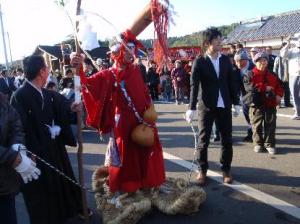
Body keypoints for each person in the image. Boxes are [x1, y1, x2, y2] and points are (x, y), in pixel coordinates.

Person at [71, 29, 165, 194]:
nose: (132, 53)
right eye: (127, 49)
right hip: (123, 123)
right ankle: (128, 187)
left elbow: (143, 93)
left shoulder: (135, 70)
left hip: (143, 119)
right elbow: (86, 84)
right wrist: (78, 68)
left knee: (146, 151)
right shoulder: (108, 74)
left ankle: (147, 182)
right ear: (116, 53)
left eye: (132, 49)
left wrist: (150, 111)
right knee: (127, 156)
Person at [10, 55, 83, 224]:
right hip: (36, 152)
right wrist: (27, 152)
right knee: (42, 192)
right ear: (41, 71)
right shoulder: (19, 96)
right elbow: (18, 128)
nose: (49, 71)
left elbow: (61, 105)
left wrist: (71, 107)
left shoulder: (47, 93)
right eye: (46, 68)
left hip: (54, 148)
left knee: (61, 182)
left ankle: (66, 213)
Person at [185, 28, 240, 185]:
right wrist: (191, 108)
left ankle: (226, 169)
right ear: (207, 43)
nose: (220, 42)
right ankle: (202, 171)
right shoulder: (199, 61)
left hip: (224, 104)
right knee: (204, 141)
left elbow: (231, 82)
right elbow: (194, 85)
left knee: (227, 139)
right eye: (217, 40)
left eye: (220, 39)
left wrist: (236, 102)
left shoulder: (225, 60)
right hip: (206, 105)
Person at [0, 92, 40, 224]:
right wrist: (10, 156)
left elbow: (16, 127)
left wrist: (18, 149)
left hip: (5, 179)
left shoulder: (3, 102)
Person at [242, 52, 284, 154]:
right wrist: (265, 88)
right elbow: (249, 87)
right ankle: (258, 144)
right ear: (255, 62)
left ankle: (269, 144)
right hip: (256, 104)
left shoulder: (272, 74)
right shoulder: (249, 74)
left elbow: (280, 86)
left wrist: (279, 95)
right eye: (260, 61)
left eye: (264, 60)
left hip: (270, 103)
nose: (262, 62)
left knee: (271, 124)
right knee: (256, 125)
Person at [234, 51, 255, 142]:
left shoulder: (253, 68)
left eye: (240, 61)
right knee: (247, 115)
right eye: (236, 61)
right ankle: (250, 133)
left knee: (255, 116)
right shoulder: (236, 69)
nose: (238, 63)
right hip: (243, 97)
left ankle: (256, 134)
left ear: (246, 60)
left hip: (254, 95)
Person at [280, 33, 300, 120]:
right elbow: (282, 54)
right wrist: (287, 43)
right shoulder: (292, 50)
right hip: (294, 75)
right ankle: (298, 112)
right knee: (294, 94)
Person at [273, 43, 293, 107]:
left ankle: (287, 103)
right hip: (280, 77)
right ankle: (278, 104)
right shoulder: (278, 58)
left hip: (288, 77)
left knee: (287, 91)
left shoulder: (289, 57)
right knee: (279, 91)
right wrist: (275, 77)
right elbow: (275, 68)